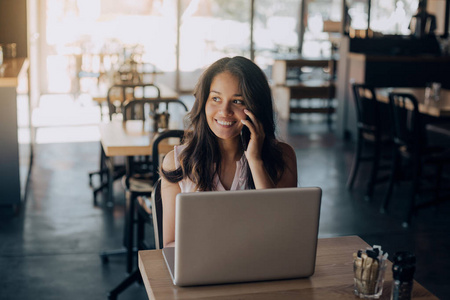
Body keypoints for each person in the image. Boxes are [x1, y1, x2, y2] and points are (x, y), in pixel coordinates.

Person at [160, 56, 298, 247]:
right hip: (201, 271)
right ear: (203, 103)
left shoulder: (283, 157)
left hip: (263, 271)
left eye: (238, 101)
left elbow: (280, 235)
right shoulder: (177, 162)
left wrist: (255, 160)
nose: (224, 111)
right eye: (216, 98)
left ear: (256, 107)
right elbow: (170, 244)